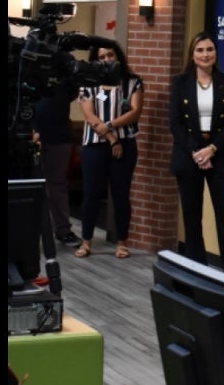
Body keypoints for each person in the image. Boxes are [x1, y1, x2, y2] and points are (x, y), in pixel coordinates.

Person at [168, 31, 224, 283]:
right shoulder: (180, 82)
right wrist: (197, 151)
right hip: (189, 155)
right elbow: (175, 124)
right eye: (200, 50)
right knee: (192, 220)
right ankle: (197, 275)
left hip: (220, 155)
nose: (206, 55)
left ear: (216, 53)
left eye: (210, 49)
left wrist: (212, 148)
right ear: (192, 56)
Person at [74, 41, 144, 259]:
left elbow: (135, 112)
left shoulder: (132, 82)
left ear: (118, 57)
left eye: (110, 55)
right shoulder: (87, 83)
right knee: (91, 194)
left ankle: (122, 243)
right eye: (101, 57)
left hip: (126, 146)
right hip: (95, 146)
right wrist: (112, 139)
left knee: (121, 195)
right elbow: (90, 115)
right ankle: (86, 242)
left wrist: (112, 126)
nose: (106, 60)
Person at [31, 82, 81, 248]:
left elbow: (71, 93)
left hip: (59, 136)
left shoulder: (63, 70)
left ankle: (63, 230)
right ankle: (24, 232)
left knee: (57, 185)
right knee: (24, 186)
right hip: (28, 136)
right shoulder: (24, 67)